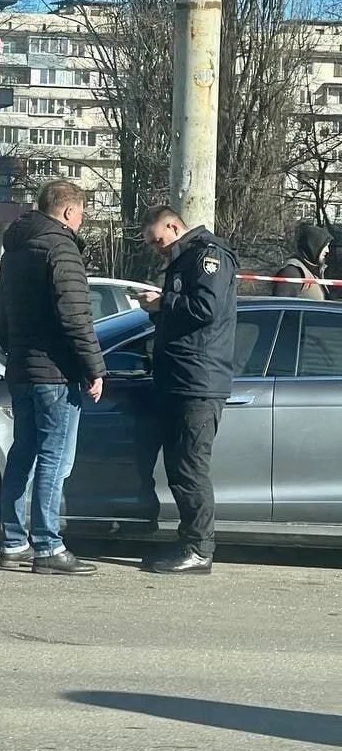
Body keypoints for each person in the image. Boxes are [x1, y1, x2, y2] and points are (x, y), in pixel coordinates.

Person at [0, 179, 105, 575]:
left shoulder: (15, 251)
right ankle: (48, 546)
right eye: (82, 214)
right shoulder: (61, 248)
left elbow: (0, 314)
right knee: (55, 458)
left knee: (23, 451)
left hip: (21, 366)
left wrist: (15, 350)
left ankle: (12, 542)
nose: (82, 221)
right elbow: (76, 317)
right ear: (69, 212)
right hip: (56, 372)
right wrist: (94, 367)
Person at [137, 205, 238, 574]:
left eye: (159, 240)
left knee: (191, 468)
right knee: (179, 468)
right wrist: (158, 310)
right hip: (181, 379)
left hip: (198, 382)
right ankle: (189, 543)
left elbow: (206, 308)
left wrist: (164, 302)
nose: (157, 249)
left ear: (174, 225)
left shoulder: (208, 256)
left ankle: (198, 550)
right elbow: (186, 315)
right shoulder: (184, 260)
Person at [273, 222, 331, 300]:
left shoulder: (311, 271)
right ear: (313, 246)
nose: (328, 250)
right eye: (325, 246)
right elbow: (280, 306)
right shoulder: (293, 272)